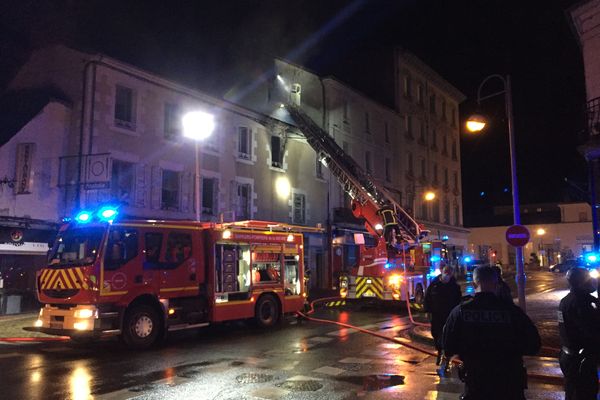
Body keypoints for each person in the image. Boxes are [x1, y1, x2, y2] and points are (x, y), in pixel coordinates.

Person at [442, 266, 541, 400]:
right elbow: (534, 344)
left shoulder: (460, 312)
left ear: (474, 283)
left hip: (476, 383)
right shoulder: (512, 311)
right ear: (496, 284)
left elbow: (448, 347)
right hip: (509, 383)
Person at [558, 267, 600, 400]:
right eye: (588, 278)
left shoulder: (566, 301)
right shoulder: (583, 303)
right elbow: (592, 331)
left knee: (572, 392)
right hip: (581, 361)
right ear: (582, 282)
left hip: (569, 357)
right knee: (584, 393)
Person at [424, 264, 462, 366]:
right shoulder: (434, 284)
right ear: (443, 272)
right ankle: (440, 352)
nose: (447, 275)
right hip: (436, 315)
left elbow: (458, 301)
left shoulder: (454, 286)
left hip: (449, 315)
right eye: (446, 272)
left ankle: (447, 355)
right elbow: (427, 298)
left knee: (449, 335)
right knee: (436, 334)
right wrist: (427, 311)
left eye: (450, 273)